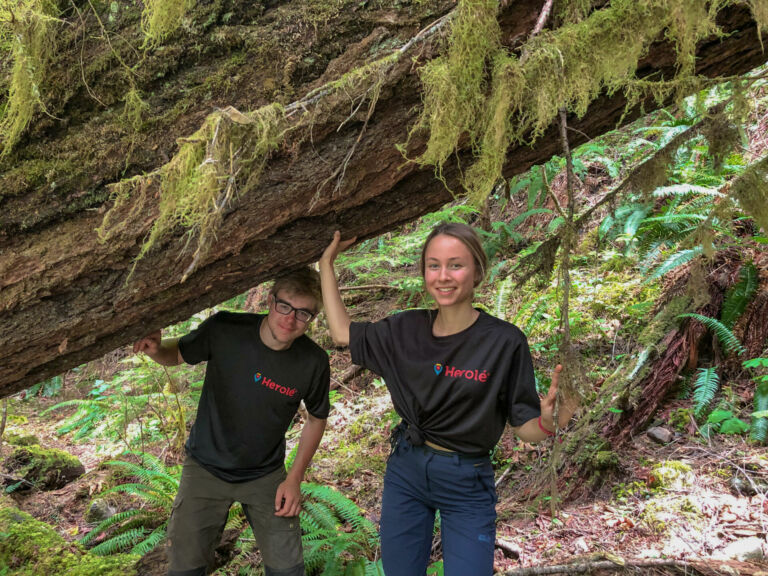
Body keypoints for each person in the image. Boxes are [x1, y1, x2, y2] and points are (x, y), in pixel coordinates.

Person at [319, 223, 578, 576]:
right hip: (406, 471)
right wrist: (326, 265)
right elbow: (340, 331)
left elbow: (523, 428)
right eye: (433, 265)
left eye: (455, 265)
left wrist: (551, 422)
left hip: (466, 479)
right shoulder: (404, 330)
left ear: (477, 272)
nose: (443, 276)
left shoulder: (504, 342)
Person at [133, 267, 330, 576]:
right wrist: (156, 350)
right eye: (285, 306)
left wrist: (294, 479)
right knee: (185, 568)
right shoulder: (226, 328)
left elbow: (317, 418)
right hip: (205, 467)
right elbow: (178, 354)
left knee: (288, 570)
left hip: (266, 475)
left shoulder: (313, 360)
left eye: (303, 313)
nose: (290, 319)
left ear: (312, 318)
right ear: (270, 300)